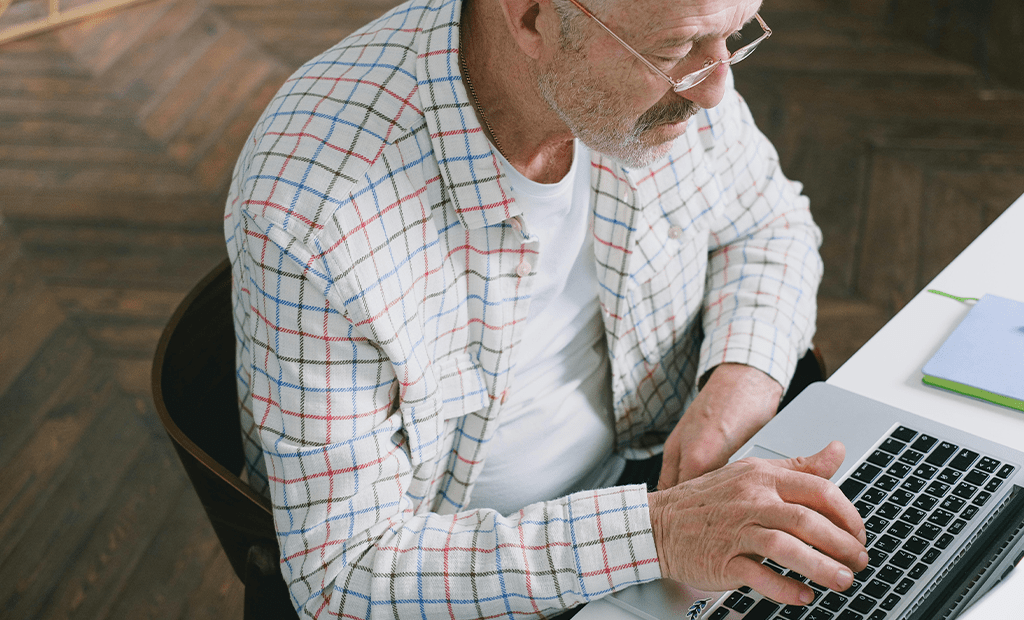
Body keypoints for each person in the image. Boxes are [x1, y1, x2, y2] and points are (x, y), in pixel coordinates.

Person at [223, 0, 869, 617]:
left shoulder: (674, 57)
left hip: (654, 491)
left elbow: (769, 225)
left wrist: (733, 394)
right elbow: (344, 575)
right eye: (677, 48)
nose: (714, 91)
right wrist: (660, 533)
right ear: (533, 17)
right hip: (474, 587)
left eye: (733, 33)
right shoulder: (313, 218)